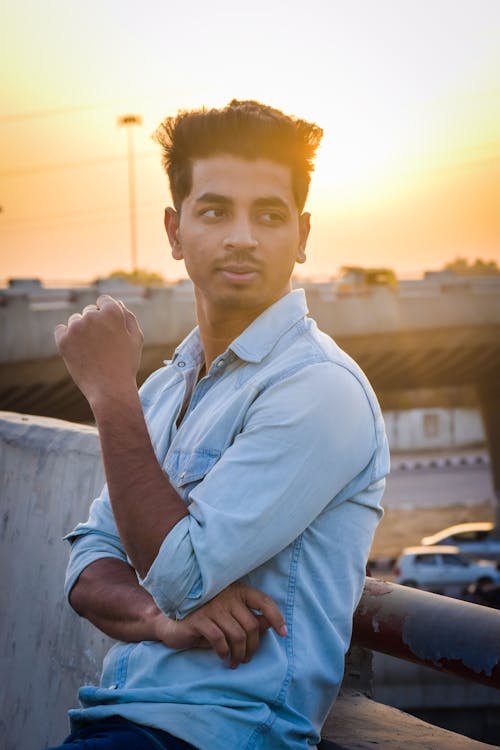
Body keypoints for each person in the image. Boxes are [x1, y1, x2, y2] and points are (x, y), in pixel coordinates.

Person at [50, 99, 389, 750]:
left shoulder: (319, 388)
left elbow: (180, 570)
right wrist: (157, 617)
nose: (242, 236)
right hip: (117, 723)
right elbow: (88, 567)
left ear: (303, 233)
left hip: (225, 735)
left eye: (269, 214)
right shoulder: (164, 387)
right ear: (175, 233)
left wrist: (108, 390)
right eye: (215, 211)